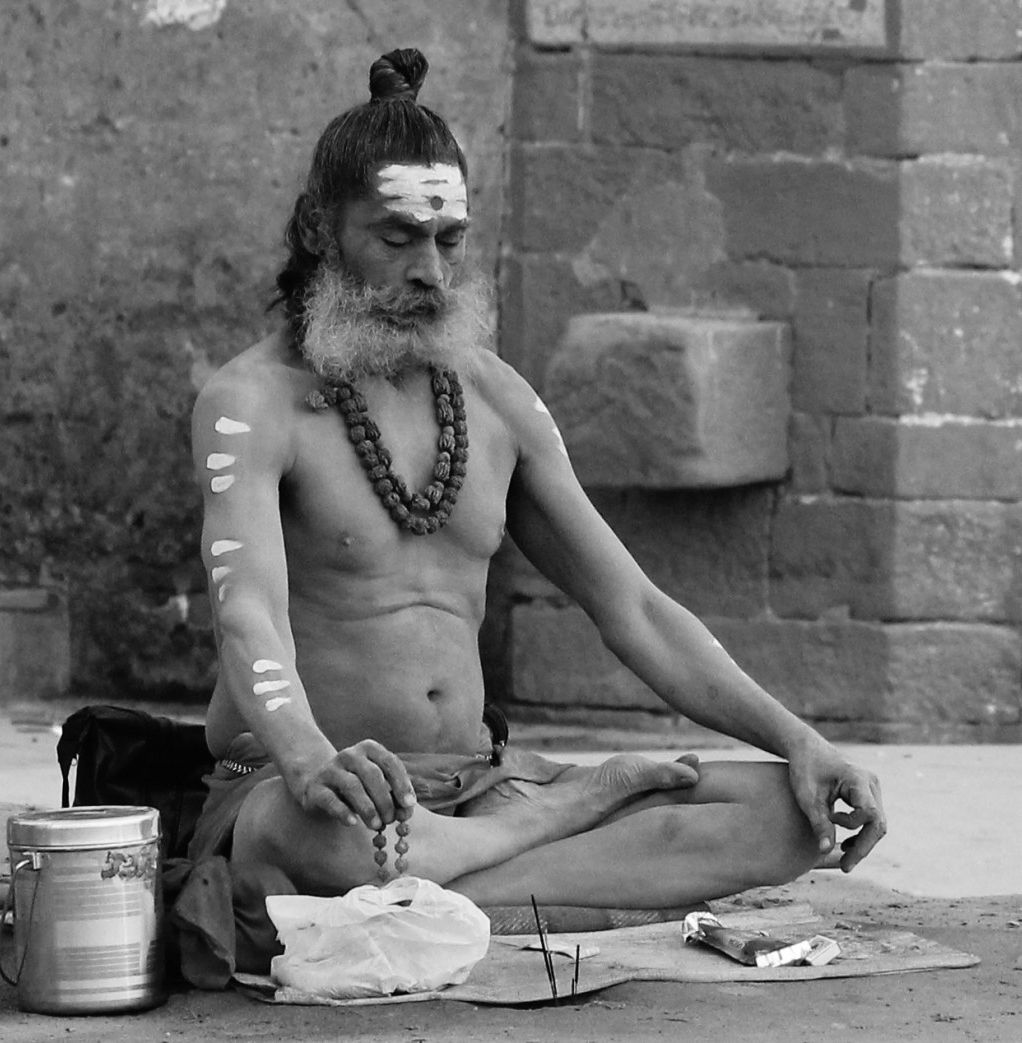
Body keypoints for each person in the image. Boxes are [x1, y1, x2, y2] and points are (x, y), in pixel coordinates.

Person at [178, 47, 885, 983]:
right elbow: (247, 612)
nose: (431, 271)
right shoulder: (250, 403)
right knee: (303, 837)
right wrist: (310, 758)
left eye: (450, 240)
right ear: (319, 227)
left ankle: (455, 883)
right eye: (397, 237)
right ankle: (544, 845)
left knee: (796, 813)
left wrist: (801, 740)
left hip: (479, 783)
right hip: (319, 789)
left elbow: (633, 608)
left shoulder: (496, 400)